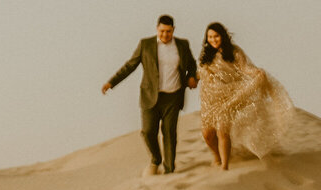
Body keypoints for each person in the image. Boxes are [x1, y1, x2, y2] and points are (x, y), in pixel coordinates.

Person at [102, 14, 198, 175]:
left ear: (173, 30)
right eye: (162, 31)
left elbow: (191, 64)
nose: (165, 35)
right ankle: (156, 159)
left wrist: (191, 77)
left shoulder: (182, 45)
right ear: (157, 29)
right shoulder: (146, 45)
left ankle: (169, 169)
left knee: (169, 133)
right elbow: (130, 65)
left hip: (173, 96)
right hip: (150, 95)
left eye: (168, 31)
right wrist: (112, 82)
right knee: (147, 131)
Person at [198, 22, 293, 170]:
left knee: (222, 131)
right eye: (210, 37)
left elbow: (245, 68)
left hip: (230, 97)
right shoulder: (207, 54)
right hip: (210, 99)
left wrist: (257, 73)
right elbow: (202, 72)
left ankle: (224, 166)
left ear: (222, 36)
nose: (213, 40)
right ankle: (216, 156)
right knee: (207, 134)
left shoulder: (234, 52)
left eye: (216, 36)